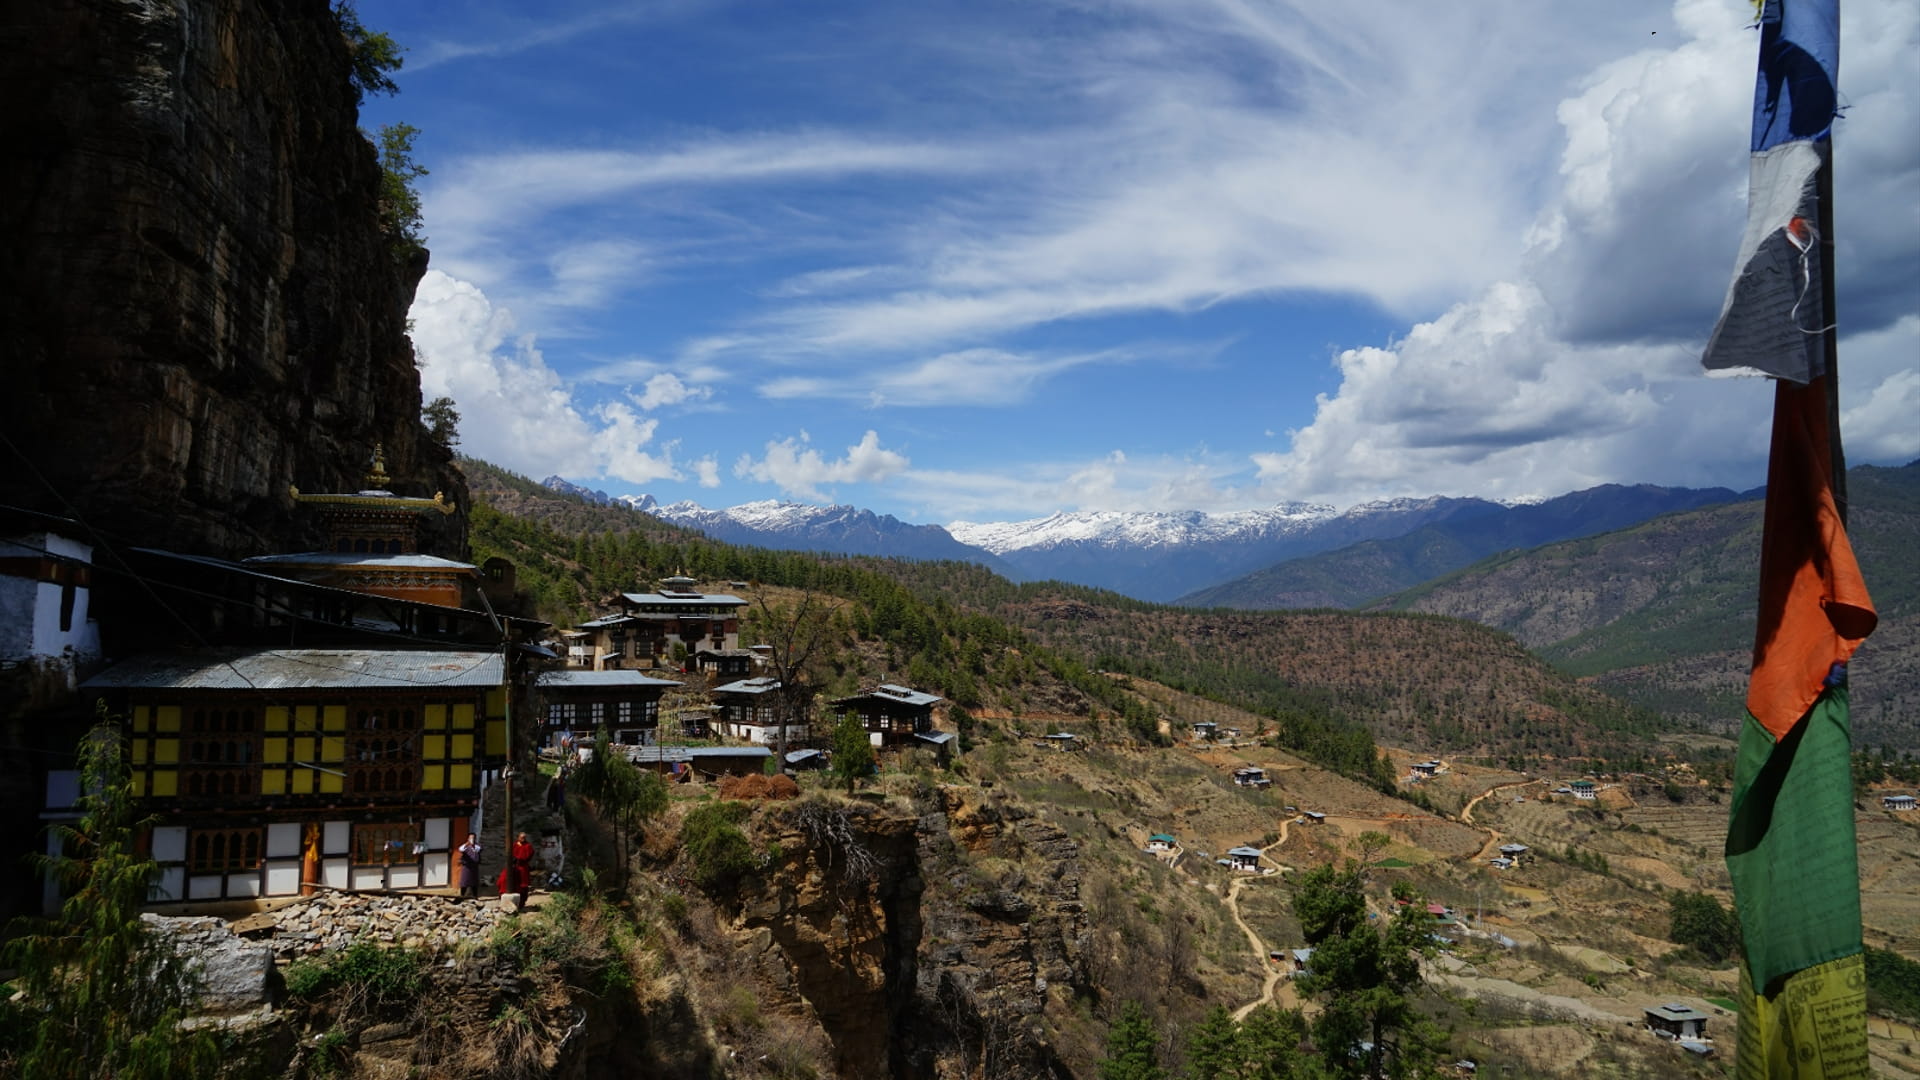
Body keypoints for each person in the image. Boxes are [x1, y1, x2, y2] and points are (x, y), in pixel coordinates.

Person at [511, 831, 534, 905]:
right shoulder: (514, 845)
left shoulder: (528, 846)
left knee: (524, 884)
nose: (523, 839)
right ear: (518, 838)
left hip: (523, 867)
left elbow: (530, 854)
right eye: (521, 838)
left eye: (524, 838)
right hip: (515, 866)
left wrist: (522, 859)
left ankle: (523, 900)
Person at [457, 834, 482, 899]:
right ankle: (462, 896)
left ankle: (475, 896)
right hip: (467, 867)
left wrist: (473, 845)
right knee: (464, 881)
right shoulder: (465, 846)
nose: (472, 839)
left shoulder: (477, 846)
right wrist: (467, 844)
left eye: (473, 838)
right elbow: (460, 849)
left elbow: (478, 849)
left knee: (474, 882)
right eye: (471, 838)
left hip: (474, 867)